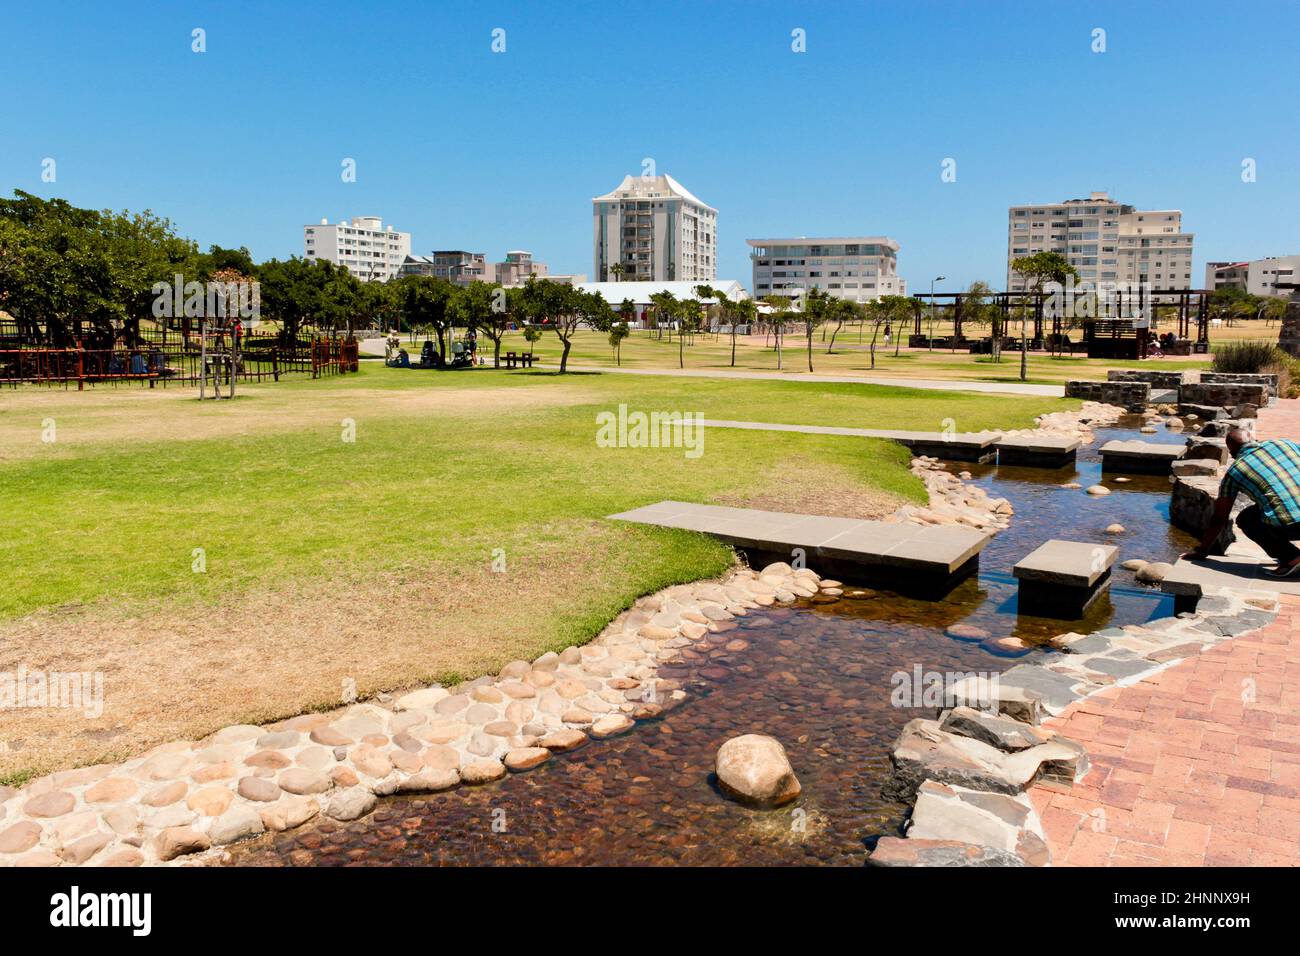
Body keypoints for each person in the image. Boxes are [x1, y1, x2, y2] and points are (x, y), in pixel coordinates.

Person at [1182, 426, 1300, 579]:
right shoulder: (1284, 444)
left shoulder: (1234, 472)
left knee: (1247, 519)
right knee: (1267, 507)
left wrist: (1202, 550)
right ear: (1253, 438)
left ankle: (1291, 558)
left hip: (1294, 526)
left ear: (1232, 453)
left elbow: (1220, 518)